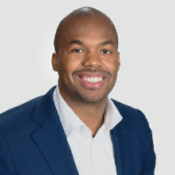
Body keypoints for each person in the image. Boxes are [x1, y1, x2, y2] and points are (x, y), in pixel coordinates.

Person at [0, 7, 156, 175]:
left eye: (105, 51)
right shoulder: (7, 134)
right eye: (78, 50)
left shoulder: (137, 125)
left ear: (118, 61)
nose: (93, 62)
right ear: (56, 61)